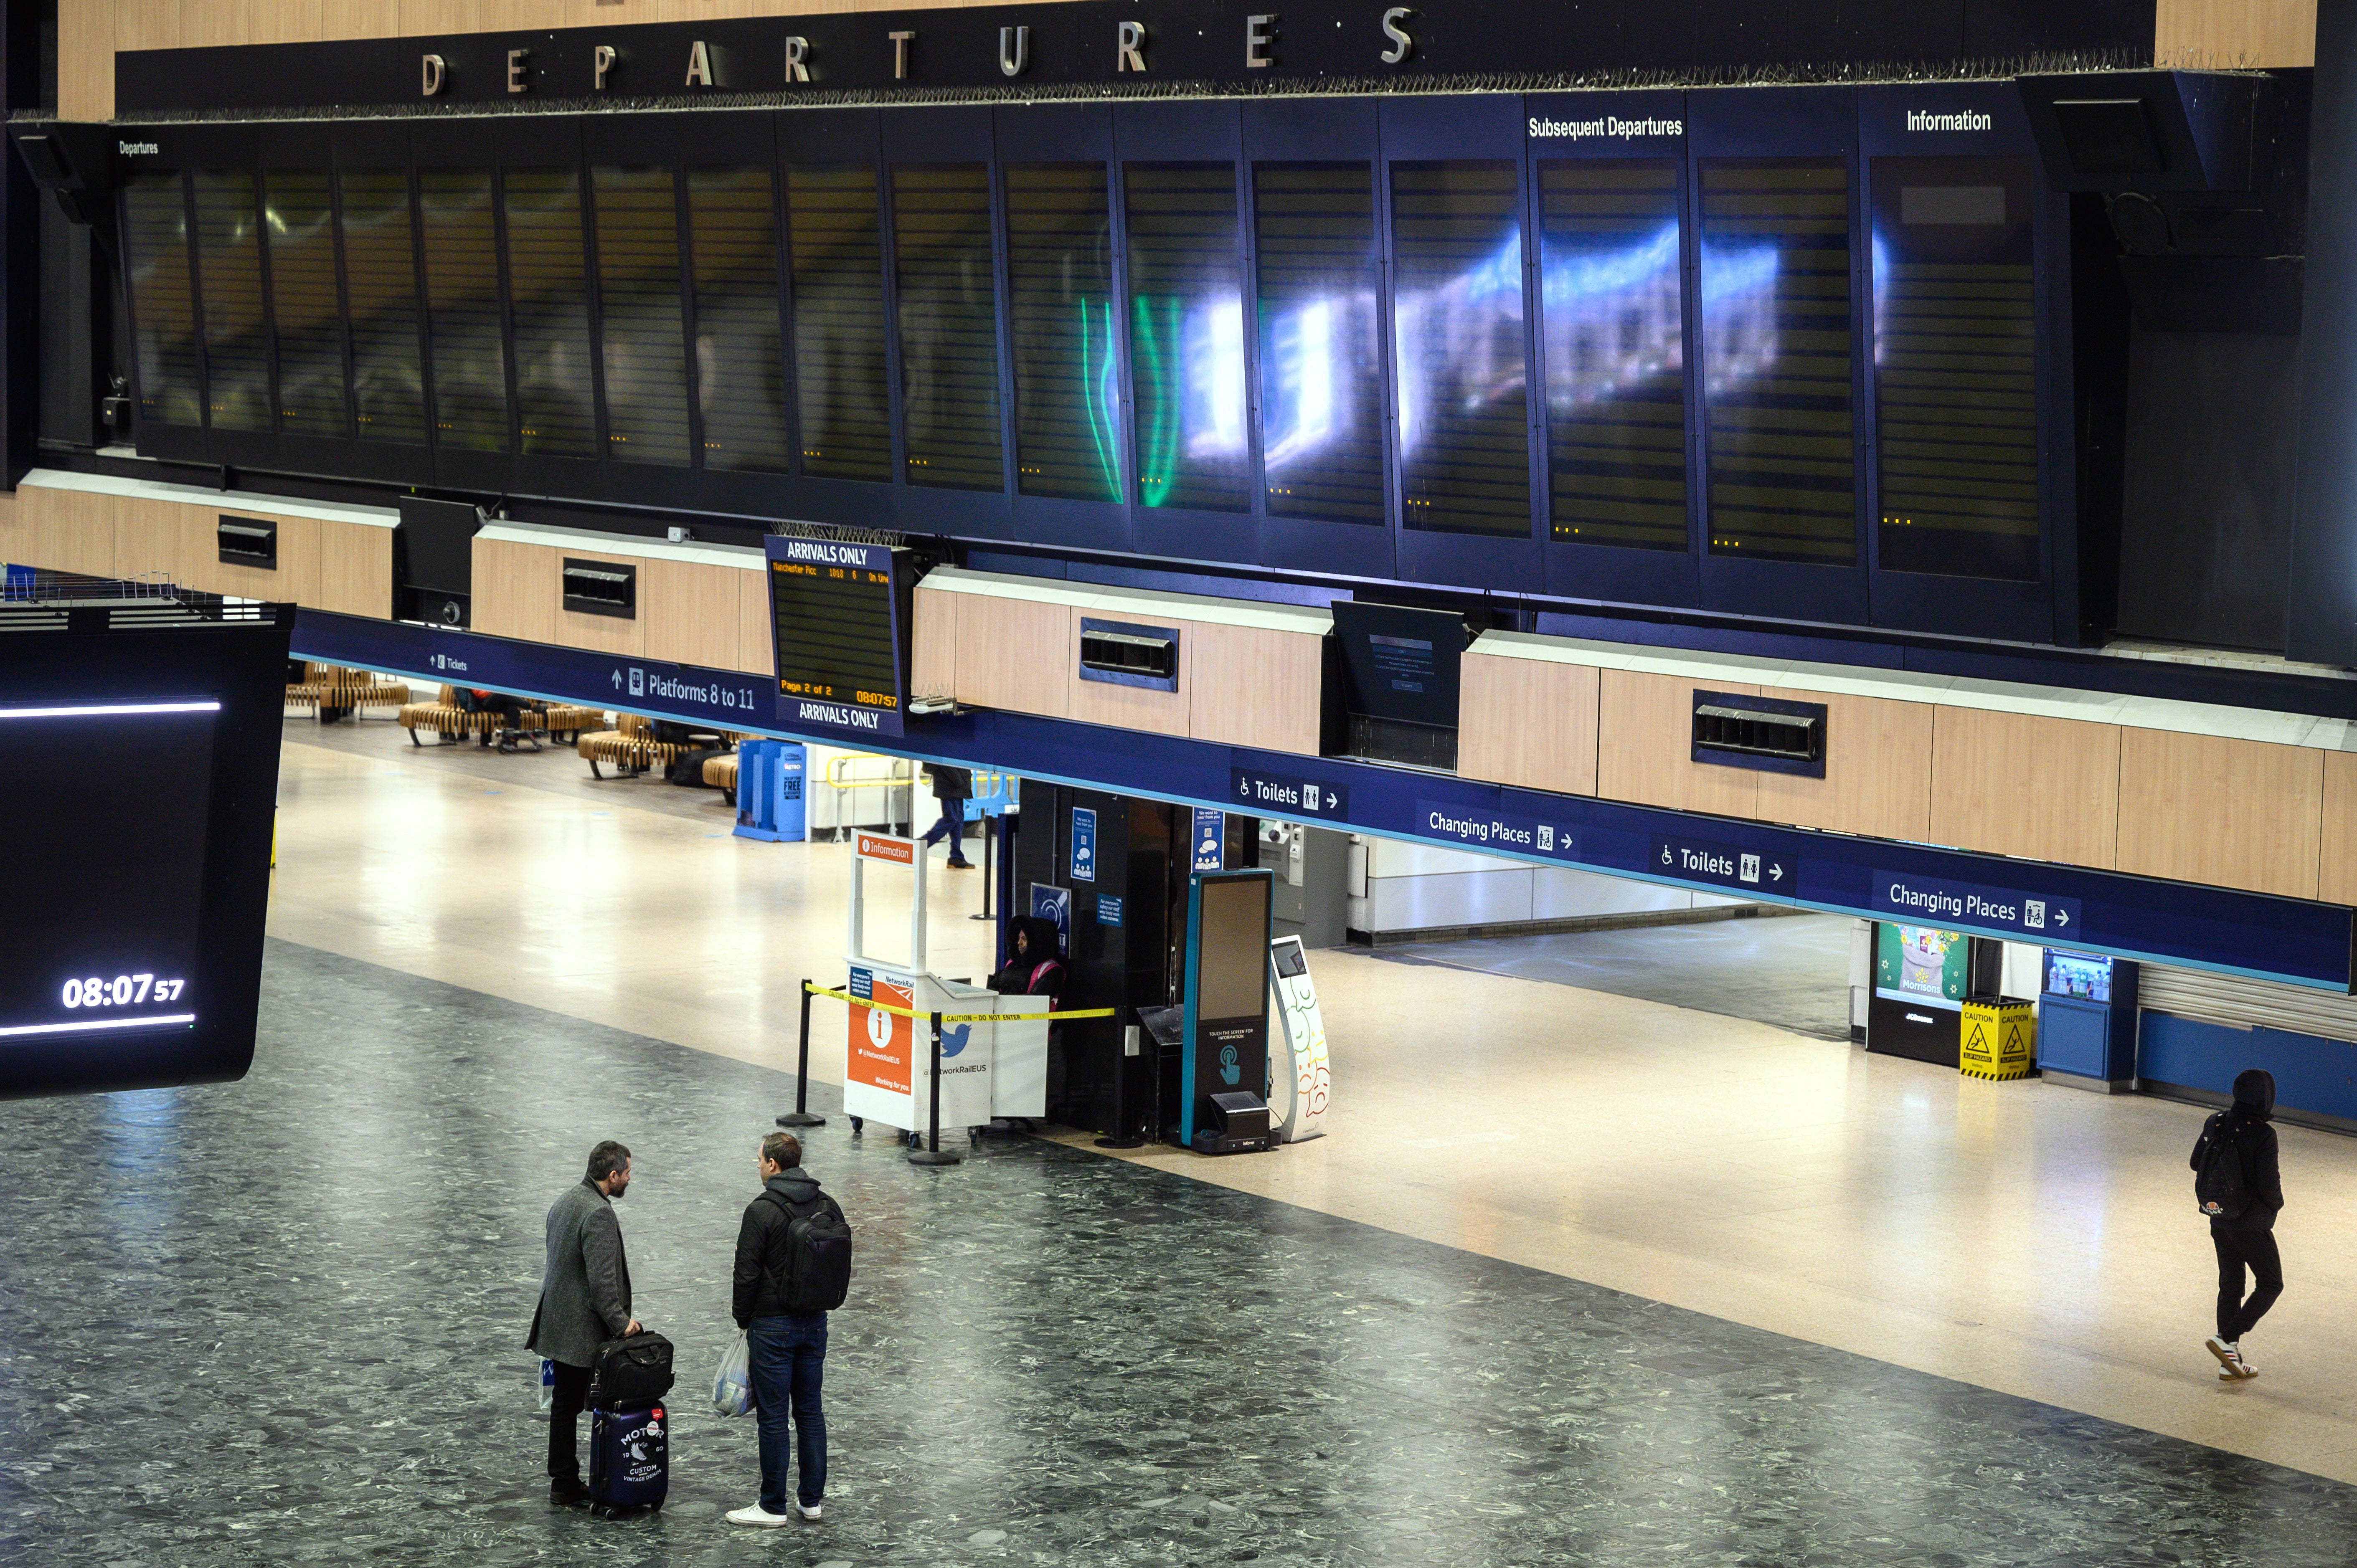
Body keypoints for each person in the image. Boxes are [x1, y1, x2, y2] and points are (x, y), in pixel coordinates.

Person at [726, 1132, 839, 1526]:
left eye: (758, 1159)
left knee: (773, 1417)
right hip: (815, 1323)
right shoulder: (828, 1204)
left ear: (774, 1164)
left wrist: (744, 1320)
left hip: (773, 1327)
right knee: (810, 1411)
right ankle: (811, 1502)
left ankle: (772, 1505)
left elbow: (745, 1275)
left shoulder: (761, 1210)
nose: (757, 1165)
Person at [526, 1140, 641, 1505]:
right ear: (612, 1175)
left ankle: (562, 1480)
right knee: (586, 1404)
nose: (628, 1179)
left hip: (557, 1322)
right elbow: (603, 1282)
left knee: (563, 1406)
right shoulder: (599, 1213)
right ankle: (588, 1478)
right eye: (626, 1173)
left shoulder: (566, 1200)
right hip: (580, 1331)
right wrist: (622, 1325)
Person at [2192, 1069, 2283, 1380]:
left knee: (2230, 1285)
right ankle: (2225, 1339)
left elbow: (2195, 1162)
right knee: (2271, 1283)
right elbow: (2269, 1184)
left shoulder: (2216, 1121)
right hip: (2250, 1224)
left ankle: (2227, 1360)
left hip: (2219, 1218)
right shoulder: (2263, 1134)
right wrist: (2276, 1205)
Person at [989, 917, 1068, 1126]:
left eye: (1024, 939)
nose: (1019, 944)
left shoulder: (1052, 971)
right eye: (1018, 938)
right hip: (1002, 1031)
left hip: (1033, 1036)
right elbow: (993, 987)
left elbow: (1034, 1003)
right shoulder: (1012, 963)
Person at [919, 764, 974, 868]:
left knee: (958, 822)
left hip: (956, 787)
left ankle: (956, 857)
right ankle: (921, 844)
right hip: (950, 786)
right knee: (951, 819)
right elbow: (946, 763)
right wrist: (960, 781)